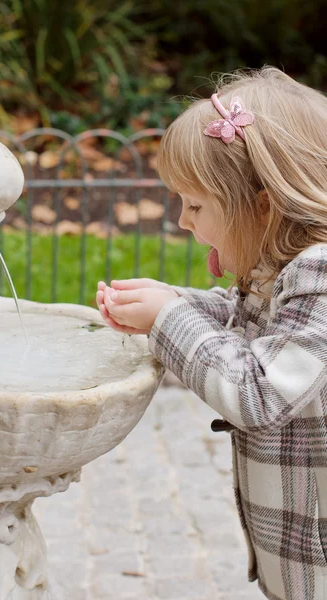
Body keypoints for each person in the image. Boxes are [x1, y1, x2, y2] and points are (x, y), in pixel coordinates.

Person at [95, 67, 327, 600]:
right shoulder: (284, 268)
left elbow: (259, 394)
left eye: (195, 205)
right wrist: (174, 301)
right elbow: (243, 320)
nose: (181, 221)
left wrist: (168, 320)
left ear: (263, 205)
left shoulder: (319, 276)